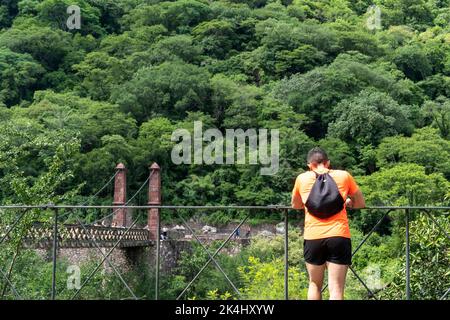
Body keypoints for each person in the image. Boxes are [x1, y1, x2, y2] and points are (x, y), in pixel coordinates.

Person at [291, 147, 365, 300]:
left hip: (313, 237)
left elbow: (296, 205)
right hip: (339, 235)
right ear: (328, 163)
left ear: (309, 165)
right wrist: (348, 201)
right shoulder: (344, 176)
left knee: (314, 284)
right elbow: (360, 203)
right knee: (336, 289)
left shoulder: (302, 178)